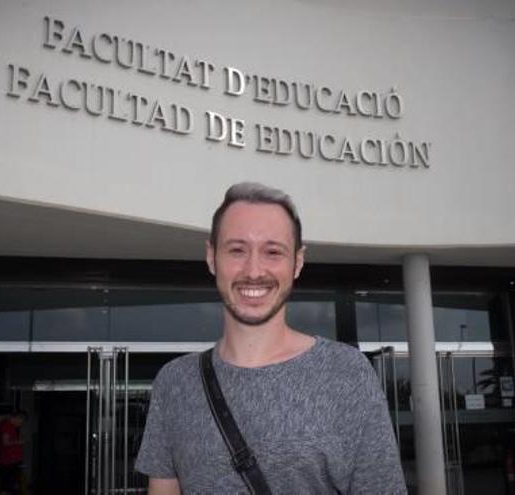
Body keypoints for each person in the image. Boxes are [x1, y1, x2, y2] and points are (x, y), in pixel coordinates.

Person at [135, 182, 406, 493]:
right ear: (211, 257)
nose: (253, 271)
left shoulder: (347, 373)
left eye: (273, 252)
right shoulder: (174, 383)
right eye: (237, 250)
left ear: (298, 262)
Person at [0, 411, 26, 495]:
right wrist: (18, 442)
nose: (20, 424)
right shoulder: (7, 425)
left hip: (11, 462)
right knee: (8, 488)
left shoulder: (10, 426)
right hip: (8, 462)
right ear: (17, 418)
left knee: (10, 487)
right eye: (21, 422)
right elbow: (5, 442)